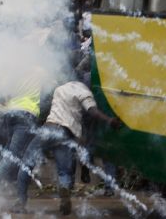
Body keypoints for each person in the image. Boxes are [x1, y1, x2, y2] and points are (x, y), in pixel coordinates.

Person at [13, 79, 122, 215]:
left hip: (49, 128)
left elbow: (45, 106)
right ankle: (64, 190)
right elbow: (93, 111)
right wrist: (109, 120)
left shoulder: (60, 88)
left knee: (26, 163)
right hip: (65, 134)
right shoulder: (85, 92)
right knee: (64, 171)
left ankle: (20, 202)